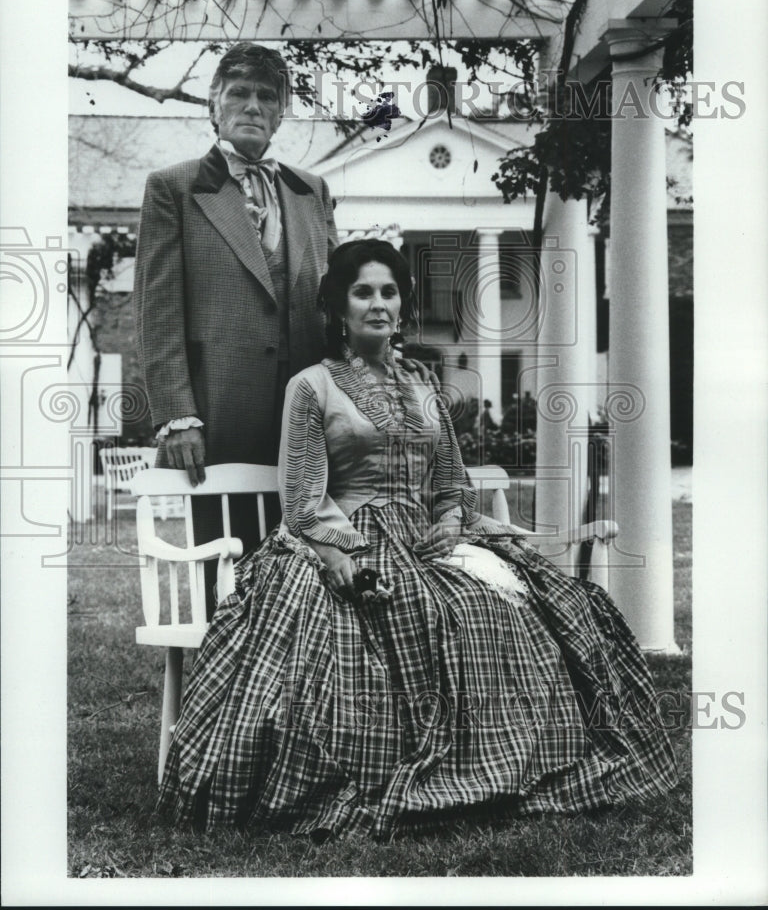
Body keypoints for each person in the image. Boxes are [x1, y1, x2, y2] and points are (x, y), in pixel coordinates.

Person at [157, 239, 677, 839]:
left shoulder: (425, 380)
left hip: (426, 536)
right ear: (337, 309)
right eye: (363, 293)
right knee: (411, 611)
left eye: (389, 292)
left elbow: (450, 477)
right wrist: (340, 554)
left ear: (401, 304)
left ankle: (509, 763)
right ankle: (409, 767)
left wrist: (454, 519)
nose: (378, 304)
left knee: (505, 605)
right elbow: (302, 496)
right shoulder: (312, 386)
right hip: (346, 535)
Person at [134, 43, 337, 615]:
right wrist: (177, 414)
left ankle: (296, 676)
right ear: (213, 106)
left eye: (266, 97)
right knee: (225, 558)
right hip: (218, 412)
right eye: (239, 94)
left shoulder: (311, 191)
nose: (252, 106)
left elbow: (335, 303)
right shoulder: (173, 188)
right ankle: (219, 675)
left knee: (306, 554)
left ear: (281, 113)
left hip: (308, 413)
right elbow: (157, 308)